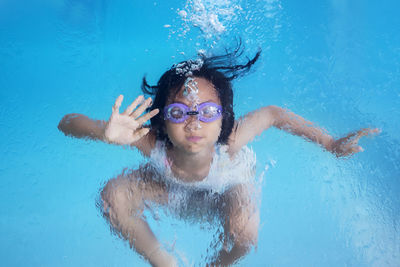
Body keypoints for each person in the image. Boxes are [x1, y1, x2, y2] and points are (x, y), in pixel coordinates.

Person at [58, 48, 378, 266]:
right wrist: (104, 133)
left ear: (223, 117)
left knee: (245, 233)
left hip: (224, 190)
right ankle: (165, 262)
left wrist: (329, 142)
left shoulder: (231, 143)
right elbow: (66, 122)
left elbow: (273, 114)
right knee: (112, 194)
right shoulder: (149, 139)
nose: (194, 123)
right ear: (162, 119)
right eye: (179, 112)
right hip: (168, 187)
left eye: (208, 112)